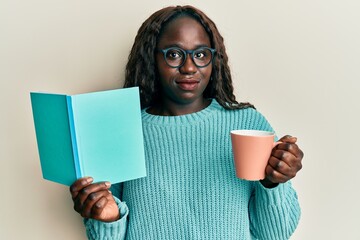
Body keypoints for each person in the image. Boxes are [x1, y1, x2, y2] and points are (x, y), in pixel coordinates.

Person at [70, 5, 303, 240]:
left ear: (215, 59)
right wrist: (108, 218)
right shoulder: (124, 130)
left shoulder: (247, 124)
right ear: (152, 57)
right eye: (174, 54)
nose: (189, 67)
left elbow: (275, 234)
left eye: (201, 54)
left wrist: (274, 183)